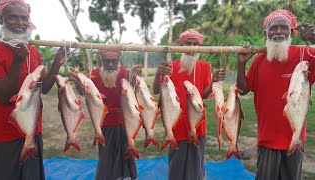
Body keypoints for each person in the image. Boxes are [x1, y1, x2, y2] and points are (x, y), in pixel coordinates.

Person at [236, 10, 315, 180]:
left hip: (294, 137)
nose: (278, 31)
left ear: (290, 32)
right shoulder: (259, 59)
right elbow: (243, 90)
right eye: (273, 28)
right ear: (266, 34)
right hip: (267, 138)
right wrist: (241, 65)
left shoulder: (305, 55)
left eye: (283, 27)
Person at [0, 0, 68, 179]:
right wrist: (17, 61)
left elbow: (43, 89)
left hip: (33, 130)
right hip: (4, 135)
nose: (19, 23)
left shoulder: (33, 51)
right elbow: (4, 97)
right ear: (0, 19)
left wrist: (57, 63)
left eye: (23, 18)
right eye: (12, 17)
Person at [153, 29, 226, 180]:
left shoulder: (205, 66)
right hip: (176, 123)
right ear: (181, 46)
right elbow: (156, 90)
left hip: (197, 124)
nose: (192, 48)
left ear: (199, 47)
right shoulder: (171, 66)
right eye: (188, 44)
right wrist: (158, 74)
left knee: (195, 167)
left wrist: (213, 81)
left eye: (195, 44)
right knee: (177, 166)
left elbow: (205, 95)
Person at [69, 49, 142, 180]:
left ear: (118, 61)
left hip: (125, 123)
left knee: (127, 154)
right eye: (106, 61)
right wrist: (78, 83)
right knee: (107, 158)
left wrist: (135, 76)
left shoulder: (126, 73)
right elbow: (82, 91)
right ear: (101, 61)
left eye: (114, 61)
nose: (110, 64)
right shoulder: (94, 75)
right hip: (104, 124)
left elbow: (137, 90)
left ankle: (127, 177)